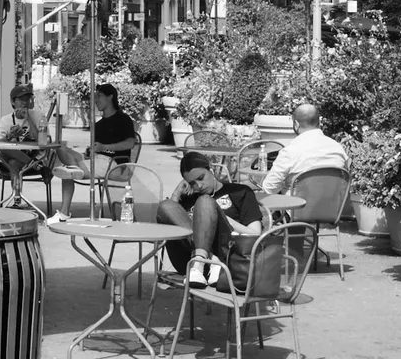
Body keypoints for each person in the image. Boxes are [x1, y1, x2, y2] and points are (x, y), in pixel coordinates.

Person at [156, 149, 263, 289]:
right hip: (189, 264)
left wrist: (224, 219)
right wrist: (177, 193)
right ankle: (208, 259)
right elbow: (167, 221)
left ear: (211, 170)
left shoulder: (240, 191)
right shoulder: (189, 197)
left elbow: (255, 234)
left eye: (201, 178)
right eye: (192, 183)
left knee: (205, 202)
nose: (198, 186)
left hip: (228, 260)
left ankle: (207, 260)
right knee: (166, 205)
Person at [51, 81, 137, 220]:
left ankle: (64, 213)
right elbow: (96, 149)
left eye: (99, 96)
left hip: (115, 164)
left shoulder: (123, 119)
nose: (96, 100)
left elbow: (130, 143)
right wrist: (90, 151)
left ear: (110, 97)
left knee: (68, 172)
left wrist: (104, 147)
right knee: (61, 147)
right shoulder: (98, 125)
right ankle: (73, 167)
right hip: (95, 159)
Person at [262, 101, 347, 195]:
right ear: (319, 122)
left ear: (296, 124)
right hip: (334, 207)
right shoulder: (338, 148)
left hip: (298, 207)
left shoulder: (290, 151)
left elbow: (269, 188)